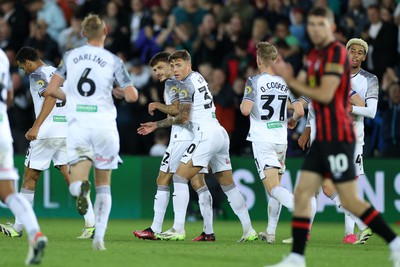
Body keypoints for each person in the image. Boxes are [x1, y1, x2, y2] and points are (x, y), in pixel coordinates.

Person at [268, 6, 400, 267]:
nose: (316, 28)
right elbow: (309, 93)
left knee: (343, 196)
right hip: (323, 135)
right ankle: (296, 258)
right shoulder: (316, 56)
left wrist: (291, 79)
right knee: (305, 192)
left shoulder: (336, 55)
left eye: (321, 24)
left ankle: (394, 243)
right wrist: (302, 119)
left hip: (338, 136)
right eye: (312, 24)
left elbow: (329, 93)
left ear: (329, 27)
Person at [138, 49, 258, 242]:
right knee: (228, 185)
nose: (175, 69)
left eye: (178, 65)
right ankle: (248, 229)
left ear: (188, 65)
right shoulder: (199, 78)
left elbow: (183, 116)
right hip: (219, 133)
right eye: (174, 65)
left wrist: (158, 109)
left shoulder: (184, 83)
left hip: (204, 135)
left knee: (178, 177)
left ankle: (178, 229)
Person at [46, 13, 138, 251]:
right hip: (105, 127)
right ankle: (99, 238)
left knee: (76, 180)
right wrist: (118, 91)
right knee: (104, 184)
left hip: (78, 127)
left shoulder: (70, 57)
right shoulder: (113, 60)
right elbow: (132, 95)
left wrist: (73, 98)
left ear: (83, 33)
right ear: (105, 31)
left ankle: (79, 189)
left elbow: (52, 89)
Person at [0, 46, 95, 240]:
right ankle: (91, 223)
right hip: (66, 130)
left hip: (47, 132)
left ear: (28, 62)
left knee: (30, 176)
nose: (22, 71)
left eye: (21, 66)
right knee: (71, 177)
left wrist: (36, 126)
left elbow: (50, 97)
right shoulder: (59, 73)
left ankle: (18, 226)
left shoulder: (37, 75)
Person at [133, 51, 214, 241]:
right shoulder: (192, 78)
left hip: (181, 137)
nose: (157, 73)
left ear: (171, 65)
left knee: (163, 179)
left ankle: (156, 228)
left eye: (160, 68)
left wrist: (157, 105)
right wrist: (157, 124)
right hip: (198, 135)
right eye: (154, 70)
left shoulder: (173, 83)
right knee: (198, 182)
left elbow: (176, 110)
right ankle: (208, 231)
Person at [240, 41, 306, 244]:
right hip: (281, 140)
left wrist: (246, 101)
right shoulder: (286, 82)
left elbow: (245, 109)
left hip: (263, 140)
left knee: (272, 189)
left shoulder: (254, 81)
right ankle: (270, 232)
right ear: (276, 60)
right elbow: (300, 110)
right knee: (276, 186)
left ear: (258, 60)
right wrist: (292, 119)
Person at [0, 47, 47, 265]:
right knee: (8, 192)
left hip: (40, 133)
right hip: (4, 132)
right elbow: (8, 97)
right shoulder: (2, 56)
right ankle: (35, 234)